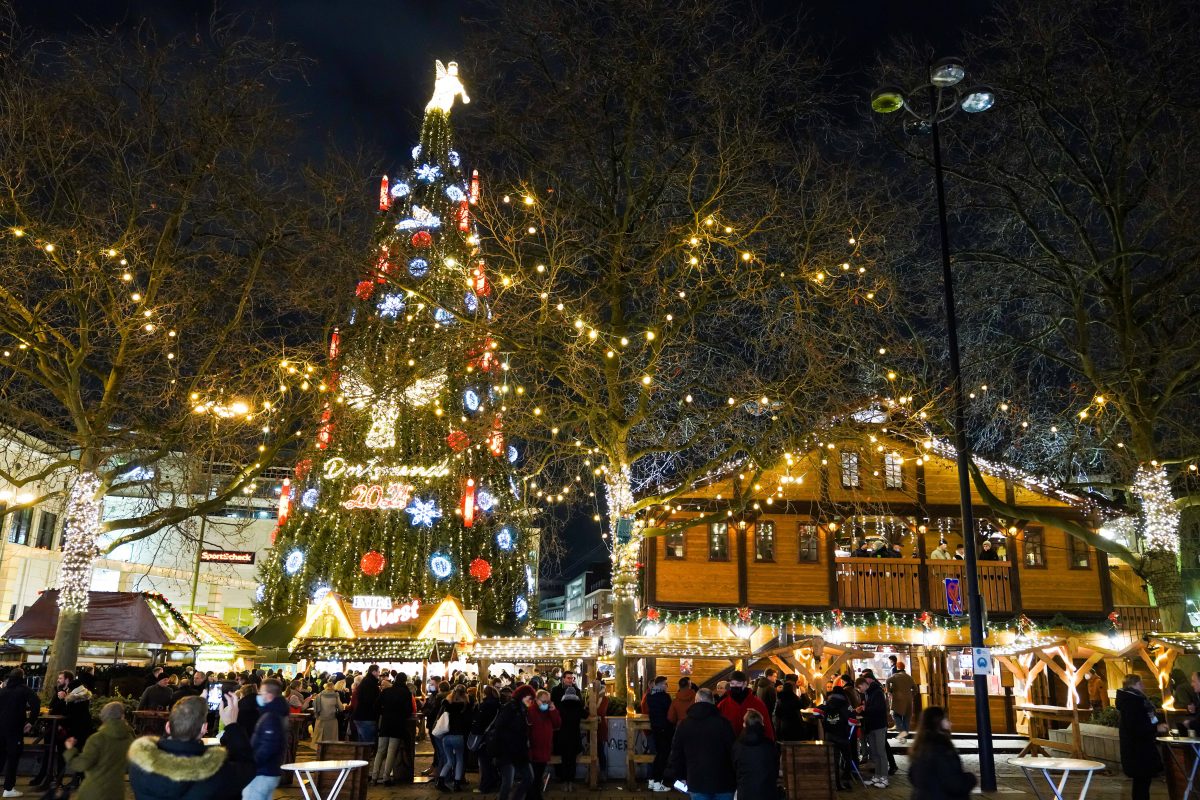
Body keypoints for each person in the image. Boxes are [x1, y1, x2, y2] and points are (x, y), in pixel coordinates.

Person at [128, 693, 254, 800]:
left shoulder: (139, 764)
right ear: (204, 729)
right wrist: (232, 725)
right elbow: (247, 766)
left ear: (168, 727)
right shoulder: (217, 773)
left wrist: (189, 711)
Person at [667, 687, 736, 800]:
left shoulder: (684, 724)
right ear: (713, 701)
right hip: (723, 781)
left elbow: (676, 753)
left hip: (696, 780)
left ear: (696, 700)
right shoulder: (724, 723)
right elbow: (733, 752)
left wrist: (679, 776)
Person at [63, 700, 134, 800]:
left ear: (104, 717)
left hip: (94, 791)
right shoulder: (129, 739)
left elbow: (81, 765)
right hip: (117, 792)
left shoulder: (97, 739)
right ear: (122, 716)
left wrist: (70, 750)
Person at [907, 706, 976, 800]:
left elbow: (912, 776)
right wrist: (970, 779)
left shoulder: (920, 747)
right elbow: (954, 783)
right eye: (946, 719)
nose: (950, 723)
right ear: (938, 722)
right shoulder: (942, 749)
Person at [1117, 674, 1166, 800]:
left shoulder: (1131, 701)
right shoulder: (1133, 702)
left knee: (1141, 784)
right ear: (1136, 684)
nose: (1144, 687)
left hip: (1137, 750)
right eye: (1141, 684)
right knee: (1142, 785)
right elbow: (1137, 727)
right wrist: (1156, 728)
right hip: (1139, 751)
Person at [243, 678, 290, 800]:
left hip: (262, 772)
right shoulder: (278, 713)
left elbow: (268, 746)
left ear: (269, 695)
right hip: (270, 770)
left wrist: (252, 762)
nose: (259, 695)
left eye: (261, 692)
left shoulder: (271, 717)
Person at [490, 685, 535, 800]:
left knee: (528, 778)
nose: (531, 701)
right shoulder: (510, 708)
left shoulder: (522, 709)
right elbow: (499, 729)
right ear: (523, 696)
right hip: (507, 751)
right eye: (530, 698)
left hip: (518, 751)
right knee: (508, 783)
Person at [0, 669, 39, 798]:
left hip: (1, 728)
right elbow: (36, 703)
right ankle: (8, 788)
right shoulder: (24, 689)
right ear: (22, 676)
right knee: (13, 757)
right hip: (15, 728)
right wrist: (30, 721)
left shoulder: (3, 690)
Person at [551, 670, 587, 790]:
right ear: (563, 679)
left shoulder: (575, 692)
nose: (570, 680)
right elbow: (584, 712)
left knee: (564, 757)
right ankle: (566, 780)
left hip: (562, 732)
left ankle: (565, 781)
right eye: (568, 678)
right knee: (569, 758)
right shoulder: (556, 690)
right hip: (569, 733)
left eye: (572, 678)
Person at [733, 709, 778, 800]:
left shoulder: (737, 745)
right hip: (767, 792)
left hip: (745, 792)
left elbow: (735, 768)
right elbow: (775, 769)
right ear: (762, 723)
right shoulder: (769, 745)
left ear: (744, 724)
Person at [716, 671, 774, 740]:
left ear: (745, 683)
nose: (735, 686)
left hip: (752, 746)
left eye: (738, 683)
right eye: (732, 683)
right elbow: (717, 728)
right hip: (730, 747)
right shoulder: (723, 704)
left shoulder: (757, 703)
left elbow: (767, 727)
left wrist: (769, 745)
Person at [436, 685, 471, 792]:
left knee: (449, 761)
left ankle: (440, 781)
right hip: (459, 736)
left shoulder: (447, 704)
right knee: (459, 760)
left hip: (446, 736)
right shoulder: (466, 705)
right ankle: (457, 783)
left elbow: (444, 702)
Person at [527, 689, 561, 799]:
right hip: (533, 749)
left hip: (545, 748)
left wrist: (553, 710)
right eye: (543, 701)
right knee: (534, 777)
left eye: (547, 702)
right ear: (536, 700)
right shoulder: (530, 711)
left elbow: (557, 724)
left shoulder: (549, 711)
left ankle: (534, 796)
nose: (545, 704)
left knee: (538, 776)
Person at [857, 676, 890, 788]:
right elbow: (870, 709)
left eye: (859, 687)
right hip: (871, 726)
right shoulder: (868, 693)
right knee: (875, 753)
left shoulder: (877, 692)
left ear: (865, 684)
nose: (859, 690)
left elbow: (879, 709)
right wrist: (862, 709)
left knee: (881, 752)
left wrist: (865, 709)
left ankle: (884, 778)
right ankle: (877, 776)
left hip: (879, 726)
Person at [820, 685, 854, 790]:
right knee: (847, 758)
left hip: (829, 735)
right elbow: (852, 718)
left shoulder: (826, 703)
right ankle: (846, 780)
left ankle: (836, 783)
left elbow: (817, 710)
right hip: (842, 735)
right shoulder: (847, 704)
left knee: (834, 759)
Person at [645, 675, 674, 793]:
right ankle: (657, 782)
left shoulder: (649, 696)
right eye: (666, 684)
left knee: (658, 755)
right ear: (662, 684)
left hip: (655, 728)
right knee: (663, 756)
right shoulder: (664, 697)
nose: (667, 686)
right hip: (664, 728)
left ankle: (652, 780)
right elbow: (670, 712)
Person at [472, 684, 503, 792]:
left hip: (485, 737)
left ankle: (485, 786)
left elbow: (479, 722)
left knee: (484, 762)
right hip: (495, 736)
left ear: (485, 694)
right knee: (491, 761)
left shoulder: (484, 705)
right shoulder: (499, 705)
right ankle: (495, 782)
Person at [886, 661, 916, 743]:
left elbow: (887, 681)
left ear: (898, 668)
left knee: (896, 715)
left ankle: (902, 735)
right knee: (907, 718)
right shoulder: (909, 677)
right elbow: (915, 689)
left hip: (897, 700)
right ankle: (904, 736)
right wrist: (911, 695)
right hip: (909, 701)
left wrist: (889, 691)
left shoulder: (895, 676)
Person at [353, 664, 382, 743]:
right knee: (367, 744)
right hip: (367, 717)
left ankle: (362, 755)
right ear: (374, 672)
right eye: (378, 672)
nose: (379, 674)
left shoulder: (365, 681)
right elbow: (371, 700)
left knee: (362, 744)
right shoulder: (371, 683)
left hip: (360, 716)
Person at [310, 680, 344, 745]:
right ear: (333, 687)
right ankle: (330, 748)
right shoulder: (335, 695)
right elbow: (341, 708)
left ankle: (318, 748)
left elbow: (315, 707)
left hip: (320, 719)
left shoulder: (319, 695)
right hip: (331, 720)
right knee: (331, 738)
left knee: (319, 737)